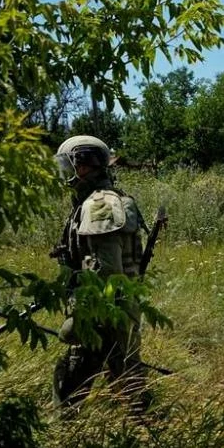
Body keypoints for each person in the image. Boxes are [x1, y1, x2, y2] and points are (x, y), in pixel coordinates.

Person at [52, 135, 148, 410]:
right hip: (114, 315)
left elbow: (107, 273)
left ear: (82, 165)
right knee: (126, 386)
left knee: (71, 384)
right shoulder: (96, 201)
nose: (66, 173)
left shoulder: (100, 205)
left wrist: (79, 320)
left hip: (105, 319)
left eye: (68, 165)